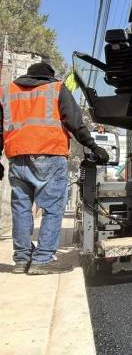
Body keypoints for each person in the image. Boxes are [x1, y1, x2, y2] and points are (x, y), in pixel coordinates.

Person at [1, 62, 109, 275]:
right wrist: (94, 146)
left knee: (21, 209)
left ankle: (22, 259)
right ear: (49, 76)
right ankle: (42, 259)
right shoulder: (57, 88)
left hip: (17, 157)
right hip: (49, 154)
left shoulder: (7, 91)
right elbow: (75, 124)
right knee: (51, 208)